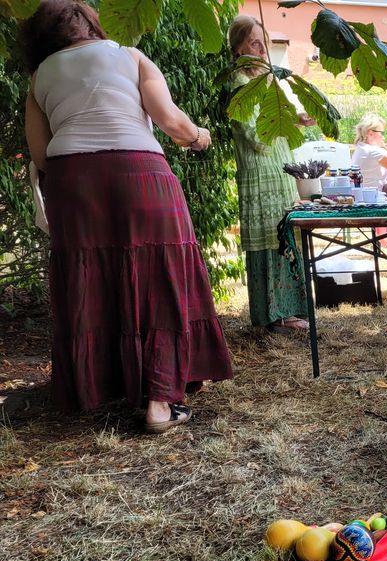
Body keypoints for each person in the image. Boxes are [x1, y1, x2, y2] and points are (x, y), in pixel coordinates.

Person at [20, 0, 232, 433]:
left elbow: (40, 154)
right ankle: (159, 401)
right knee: (160, 273)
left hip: (72, 179)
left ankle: (97, 388)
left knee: (90, 278)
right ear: (94, 25)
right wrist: (199, 137)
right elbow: (170, 120)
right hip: (140, 172)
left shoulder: (39, 76)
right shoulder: (129, 55)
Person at [228, 15, 312, 334]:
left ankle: (285, 312)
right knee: (270, 244)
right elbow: (255, 135)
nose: (263, 50)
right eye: (254, 43)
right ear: (238, 48)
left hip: (279, 170)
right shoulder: (237, 84)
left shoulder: (266, 80)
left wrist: (297, 119)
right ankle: (273, 315)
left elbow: (280, 121)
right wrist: (284, 125)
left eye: (265, 43)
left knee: (284, 241)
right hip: (259, 173)